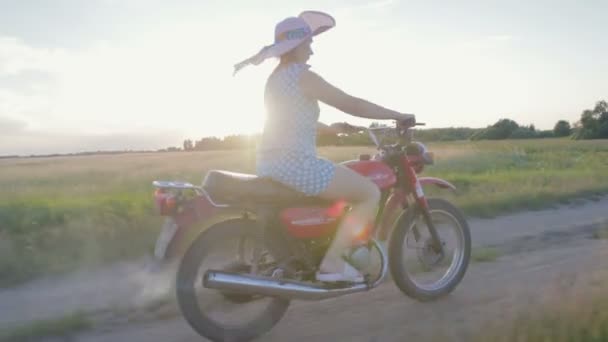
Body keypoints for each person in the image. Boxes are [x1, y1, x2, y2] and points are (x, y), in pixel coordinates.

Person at [233, 11, 415, 283]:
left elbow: (288, 119)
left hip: (270, 163)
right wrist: (398, 115)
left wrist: (334, 129)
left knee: (341, 192)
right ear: (296, 46)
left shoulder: (275, 79)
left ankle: (320, 251)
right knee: (368, 193)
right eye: (308, 43)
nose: (312, 49)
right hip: (297, 165)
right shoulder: (303, 76)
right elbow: (351, 103)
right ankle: (333, 264)